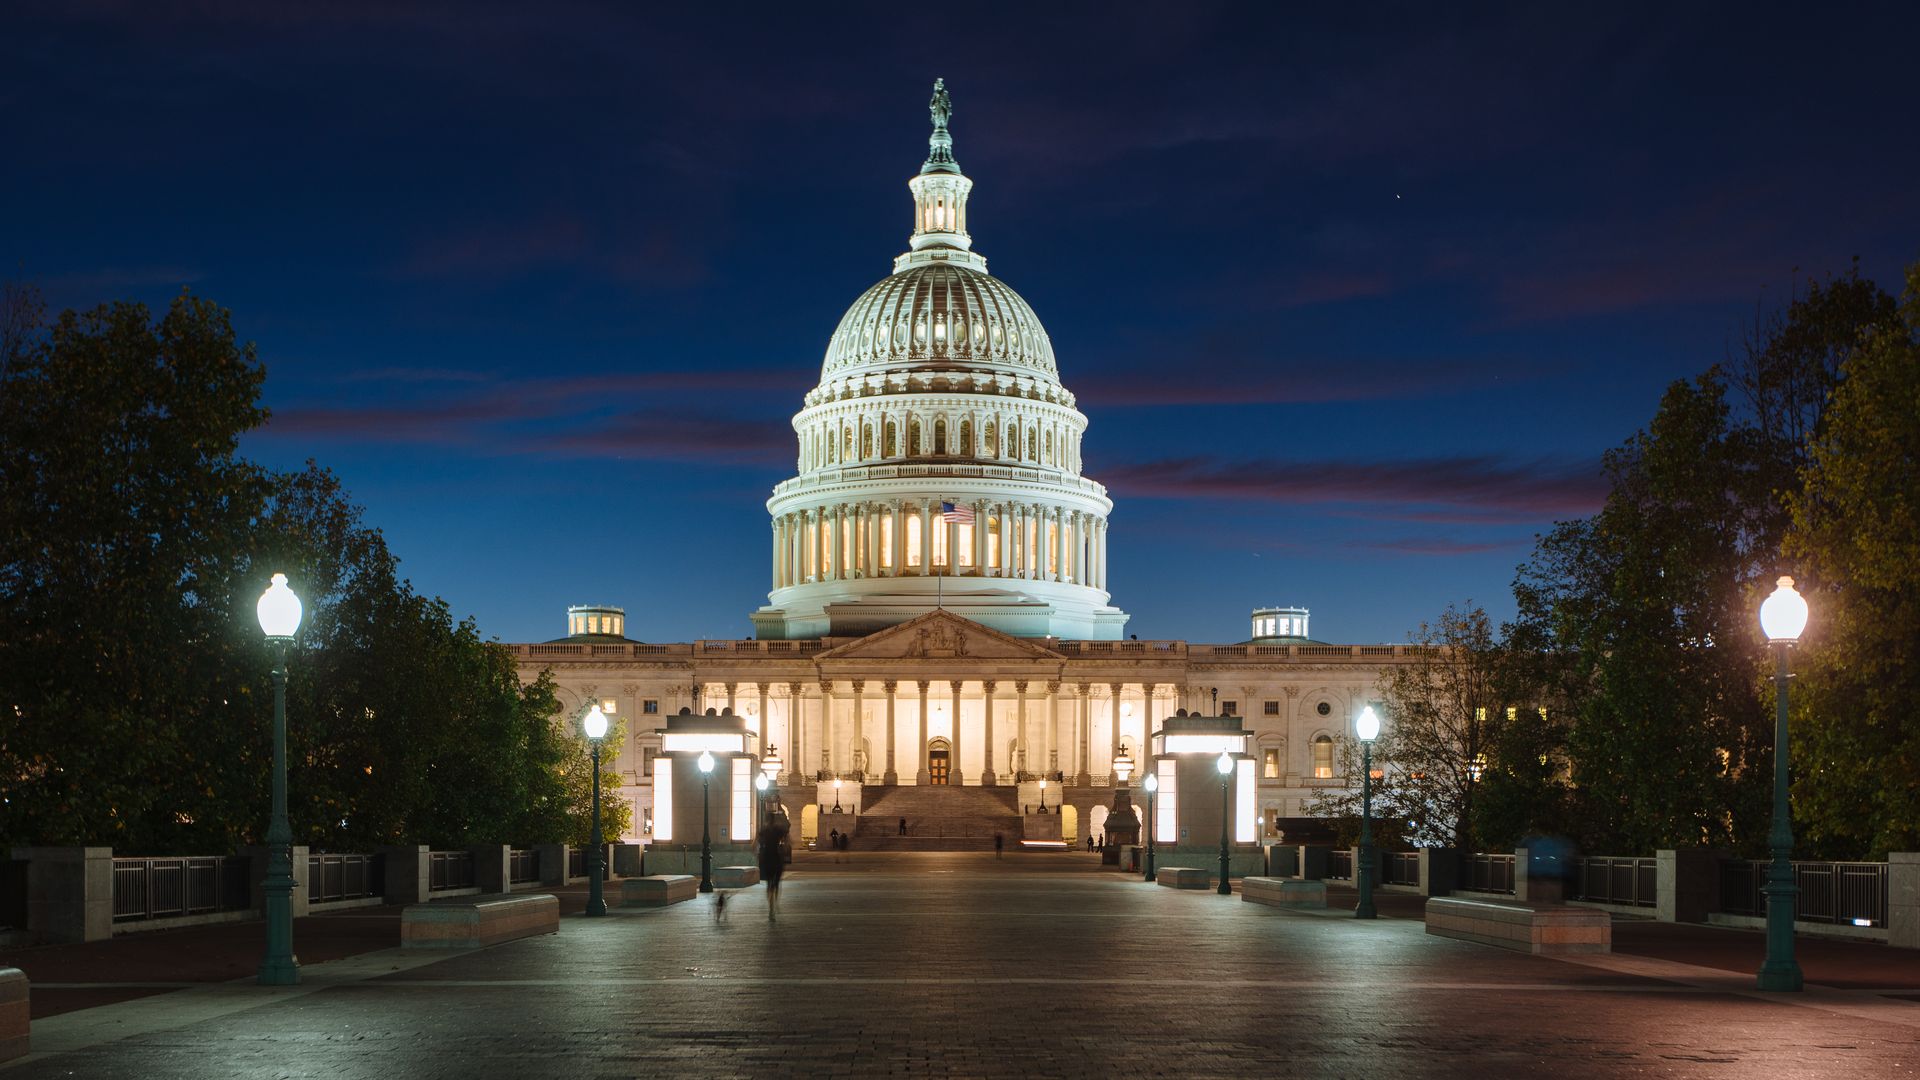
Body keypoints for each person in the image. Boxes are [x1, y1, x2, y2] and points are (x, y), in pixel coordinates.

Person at [758, 821, 785, 922]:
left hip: (767, 859)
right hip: (777, 859)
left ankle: (771, 909)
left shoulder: (764, 830)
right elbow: (786, 841)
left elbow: (757, 841)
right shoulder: (778, 830)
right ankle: (775, 904)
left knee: (769, 885)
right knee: (776, 884)